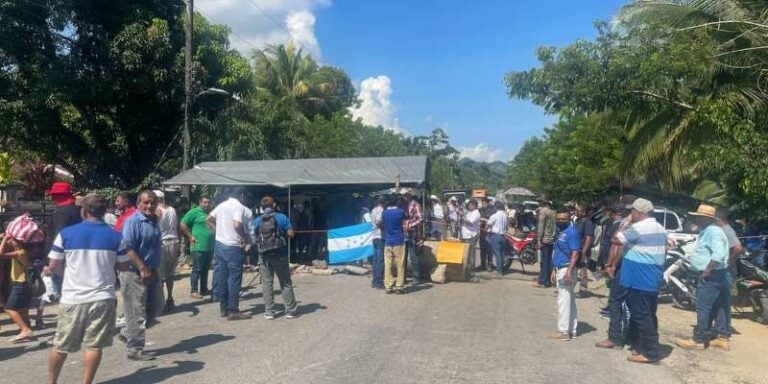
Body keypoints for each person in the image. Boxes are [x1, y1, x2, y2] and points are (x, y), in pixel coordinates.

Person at [45, 194, 132, 384]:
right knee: (94, 345)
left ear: (83, 211)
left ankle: (51, 382)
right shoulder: (116, 236)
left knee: (61, 345)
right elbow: (123, 266)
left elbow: (54, 266)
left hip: (73, 298)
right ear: (104, 212)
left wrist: (66, 276)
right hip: (103, 297)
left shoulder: (66, 234)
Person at [614, 198, 667, 363]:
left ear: (639, 213)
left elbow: (616, 239)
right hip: (652, 280)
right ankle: (643, 346)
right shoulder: (660, 228)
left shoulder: (638, 228)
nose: (631, 214)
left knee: (642, 316)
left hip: (639, 280)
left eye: (632, 212)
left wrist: (626, 223)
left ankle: (650, 353)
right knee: (650, 315)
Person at [677, 204, 731, 351]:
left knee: (703, 306)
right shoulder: (709, 230)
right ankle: (723, 337)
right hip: (717, 274)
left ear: (706, 218)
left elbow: (718, 254)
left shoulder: (712, 231)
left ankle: (699, 339)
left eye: (699, 217)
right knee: (719, 305)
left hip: (711, 274)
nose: (697, 219)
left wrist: (707, 271)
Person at [118, 190, 162, 361]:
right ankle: (135, 349)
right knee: (136, 311)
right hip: (134, 272)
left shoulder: (153, 221)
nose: (149, 206)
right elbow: (128, 248)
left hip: (153, 271)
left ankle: (127, 332)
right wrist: (142, 267)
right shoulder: (133, 222)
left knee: (157, 306)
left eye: (152, 202)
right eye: (145, 202)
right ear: (138, 204)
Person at [206, 187, 253, 320]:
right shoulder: (238, 206)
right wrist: (245, 237)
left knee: (222, 277)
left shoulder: (221, 205)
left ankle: (223, 308)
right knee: (234, 278)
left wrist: (218, 231)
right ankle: (233, 310)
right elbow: (237, 224)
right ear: (242, 195)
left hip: (220, 245)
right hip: (233, 246)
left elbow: (208, 219)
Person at [253, 196, 298, 319]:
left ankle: (269, 311)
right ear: (274, 205)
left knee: (267, 283)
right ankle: (290, 310)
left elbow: (253, 235)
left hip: (264, 255)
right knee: (285, 282)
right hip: (280, 254)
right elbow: (291, 234)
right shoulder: (282, 217)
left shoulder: (257, 221)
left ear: (262, 208)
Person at [595, 204, 632, 350]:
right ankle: (626, 336)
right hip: (623, 266)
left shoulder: (628, 226)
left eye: (628, 211)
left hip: (624, 266)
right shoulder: (627, 224)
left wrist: (612, 265)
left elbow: (618, 246)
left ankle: (615, 338)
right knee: (626, 303)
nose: (624, 213)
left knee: (616, 301)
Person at [547, 210, 580, 340]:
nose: (560, 221)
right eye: (558, 219)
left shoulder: (572, 233)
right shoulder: (561, 232)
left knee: (563, 302)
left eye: (563, 219)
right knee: (569, 300)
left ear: (569, 219)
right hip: (560, 267)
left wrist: (569, 271)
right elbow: (558, 251)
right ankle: (572, 329)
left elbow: (575, 253)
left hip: (567, 269)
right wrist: (554, 269)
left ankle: (564, 332)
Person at [48, 182, 82, 302]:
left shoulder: (61, 213)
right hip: (80, 252)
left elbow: (59, 236)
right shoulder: (79, 210)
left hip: (63, 256)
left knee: (63, 291)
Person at [715, 207, 744, 347]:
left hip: (726, 271)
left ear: (719, 218)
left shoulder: (727, 230)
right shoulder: (722, 230)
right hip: (723, 270)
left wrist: (728, 262)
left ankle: (724, 332)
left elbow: (738, 248)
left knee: (723, 301)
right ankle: (720, 329)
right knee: (719, 300)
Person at [0, 231, 35, 343]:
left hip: (20, 283)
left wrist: (5, 238)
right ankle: (26, 329)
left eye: (12, 240)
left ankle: (25, 330)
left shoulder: (20, 252)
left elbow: (1, 253)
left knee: (9, 308)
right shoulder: (21, 251)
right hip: (23, 283)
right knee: (23, 308)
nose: (10, 241)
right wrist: (3, 238)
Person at [180, 196, 214, 299]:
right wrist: (190, 236)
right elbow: (182, 224)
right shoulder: (194, 212)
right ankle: (194, 290)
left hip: (209, 246)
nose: (207, 204)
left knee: (205, 269)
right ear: (200, 202)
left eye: (208, 202)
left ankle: (204, 289)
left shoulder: (210, 213)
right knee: (197, 269)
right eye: (205, 202)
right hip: (198, 245)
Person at [154, 190, 180, 314]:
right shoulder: (172, 210)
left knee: (160, 275)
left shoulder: (157, 211)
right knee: (170, 274)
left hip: (163, 243)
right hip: (174, 242)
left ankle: (161, 303)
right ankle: (170, 298)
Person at [381, 194, 407, 294]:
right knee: (400, 264)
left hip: (388, 241)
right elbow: (405, 217)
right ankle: (399, 286)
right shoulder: (400, 212)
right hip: (399, 240)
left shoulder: (384, 213)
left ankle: (388, 286)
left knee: (388, 265)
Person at [535, 197, 556, 288]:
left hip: (545, 239)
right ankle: (550, 279)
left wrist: (539, 240)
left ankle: (543, 281)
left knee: (544, 260)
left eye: (540, 202)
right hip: (552, 238)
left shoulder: (543, 212)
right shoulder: (553, 212)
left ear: (543, 203)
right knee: (550, 260)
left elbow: (540, 227)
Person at [574, 205, 595, 297]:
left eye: (578, 211)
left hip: (583, 251)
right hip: (576, 249)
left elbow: (589, 238)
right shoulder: (578, 221)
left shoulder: (588, 223)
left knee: (583, 271)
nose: (576, 212)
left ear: (584, 212)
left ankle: (583, 290)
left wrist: (583, 252)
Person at [404, 193, 423, 285]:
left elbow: (420, 219)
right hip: (403, 234)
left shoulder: (416, 205)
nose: (404, 197)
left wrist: (408, 224)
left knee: (413, 257)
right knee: (403, 257)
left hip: (412, 234)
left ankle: (416, 277)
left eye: (406, 195)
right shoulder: (402, 205)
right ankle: (403, 277)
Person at [486, 201, 508, 276]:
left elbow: (488, 224)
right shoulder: (505, 215)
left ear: (495, 207)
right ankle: (502, 269)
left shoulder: (494, 215)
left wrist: (485, 229)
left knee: (497, 253)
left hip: (495, 235)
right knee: (502, 254)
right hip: (503, 236)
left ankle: (499, 270)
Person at [461, 200, 481, 276]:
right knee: (467, 252)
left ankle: (472, 269)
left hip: (471, 235)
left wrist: (462, 216)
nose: (468, 206)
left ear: (474, 205)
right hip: (467, 234)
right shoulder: (470, 212)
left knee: (471, 252)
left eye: (470, 205)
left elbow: (470, 222)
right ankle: (468, 268)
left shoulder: (476, 213)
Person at [371, 197, 385, 289]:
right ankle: (379, 282)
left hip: (374, 236)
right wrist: (384, 227)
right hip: (380, 236)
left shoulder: (373, 209)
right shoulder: (381, 210)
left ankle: (374, 280)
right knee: (380, 260)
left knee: (375, 260)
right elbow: (378, 221)